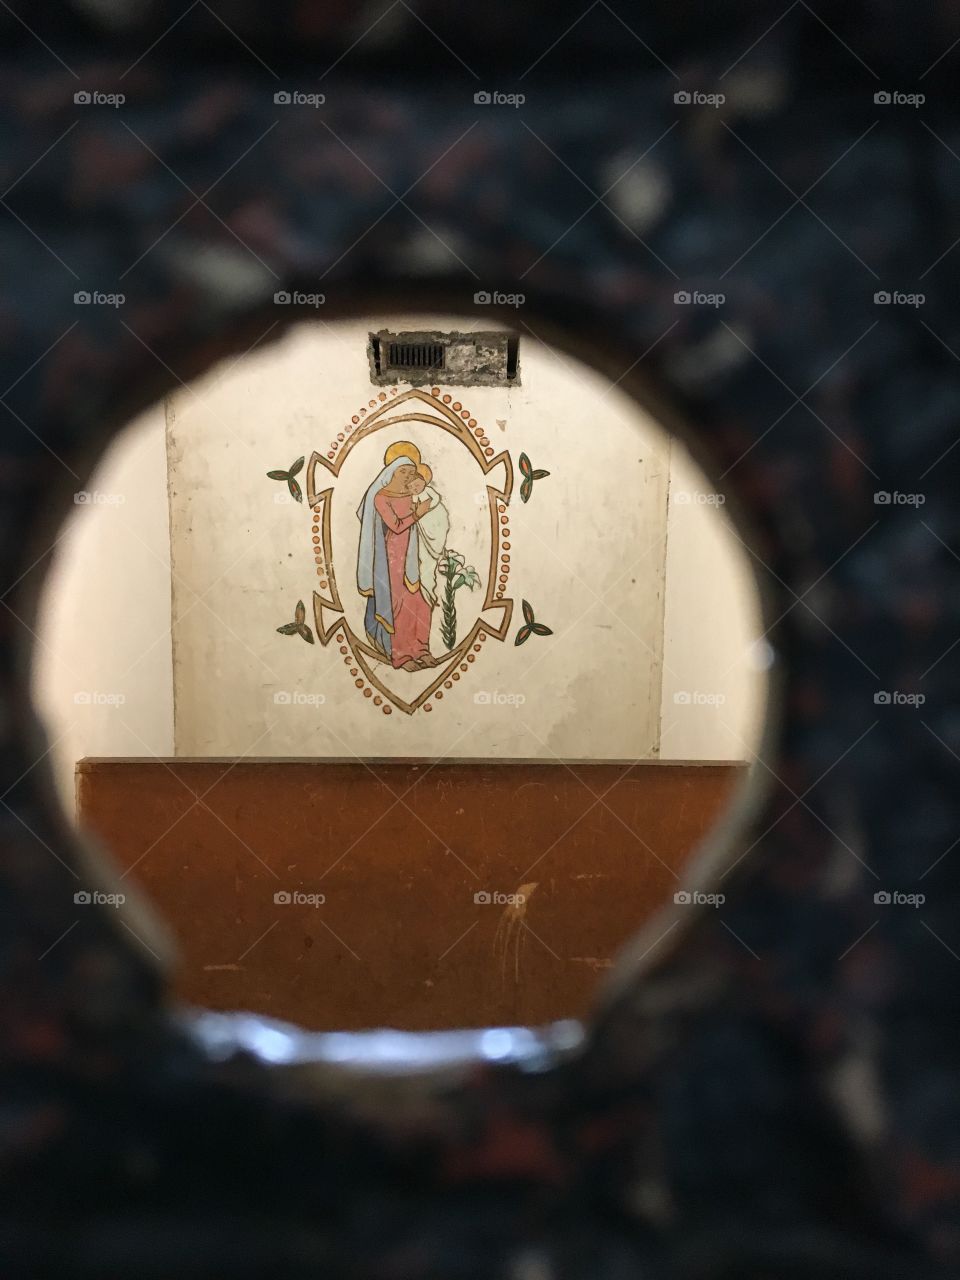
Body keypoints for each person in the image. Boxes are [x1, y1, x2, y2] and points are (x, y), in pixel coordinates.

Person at [355, 446, 437, 671]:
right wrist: (418, 513)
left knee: (420, 603)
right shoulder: (381, 497)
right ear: (390, 472)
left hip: (412, 555)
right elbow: (397, 526)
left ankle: (421, 649)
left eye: (411, 472)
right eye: (403, 472)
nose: (409, 476)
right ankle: (401, 657)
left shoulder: (411, 494)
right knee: (399, 606)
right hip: (392, 557)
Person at [407, 464, 449, 610]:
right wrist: (416, 511)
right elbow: (413, 509)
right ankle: (429, 593)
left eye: (417, 485)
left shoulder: (429, 491)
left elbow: (436, 500)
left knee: (429, 562)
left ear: (424, 482)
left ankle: (430, 593)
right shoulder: (414, 496)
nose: (415, 489)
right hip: (423, 529)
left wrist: (426, 509)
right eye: (411, 487)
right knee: (425, 563)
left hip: (434, 526)